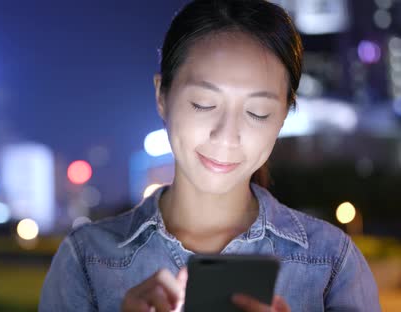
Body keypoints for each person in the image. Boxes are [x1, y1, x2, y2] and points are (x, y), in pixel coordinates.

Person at [39, 0, 381, 311]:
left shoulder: (332, 263)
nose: (226, 135)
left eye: (258, 112)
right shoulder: (87, 260)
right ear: (162, 95)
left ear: (282, 118)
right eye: (203, 104)